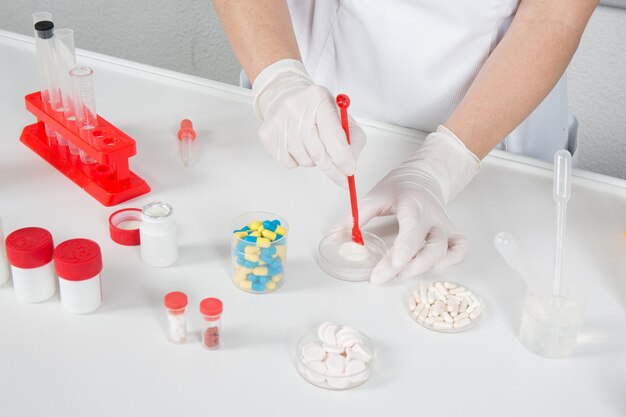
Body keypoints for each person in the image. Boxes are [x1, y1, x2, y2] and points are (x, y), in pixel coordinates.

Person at [212, 0, 598, 285]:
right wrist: (279, 79)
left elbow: (555, 15)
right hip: (310, 101)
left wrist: (444, 164)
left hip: (491, 136)